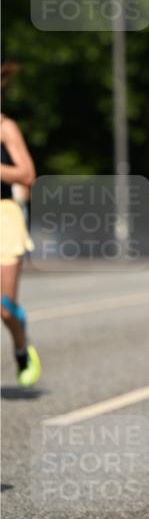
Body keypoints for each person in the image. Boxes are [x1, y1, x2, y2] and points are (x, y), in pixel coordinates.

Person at [0, 105, 40, 387]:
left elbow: (28, 174)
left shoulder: (5, 127)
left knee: (4, 307)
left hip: (5, 216)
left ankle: (21, 347)